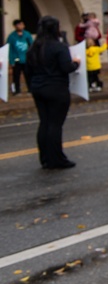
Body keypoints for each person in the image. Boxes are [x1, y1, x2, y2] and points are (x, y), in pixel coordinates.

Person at [25, 16, 80, 169]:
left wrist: (32, 86)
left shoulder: (34, 47)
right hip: (56, 88)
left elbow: (27, 69)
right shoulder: (59, 47)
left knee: (44, 122)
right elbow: (66, 68)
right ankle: (57, 158)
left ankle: (45, 157)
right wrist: (76, 63)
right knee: (55, 124)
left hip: (38, 87)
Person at [6, 19, 34, 96]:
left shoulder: (27, 34)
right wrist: (11, 61)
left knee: (28, 75)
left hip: (26, 59)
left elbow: (32, 46)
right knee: (16, 76)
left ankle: (30, 90)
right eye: (19, 25)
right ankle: (17, 91)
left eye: (22, 24)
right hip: (16, 59)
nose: (21, 26)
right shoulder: (11, 37)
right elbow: (9, 49)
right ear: (15, 26)